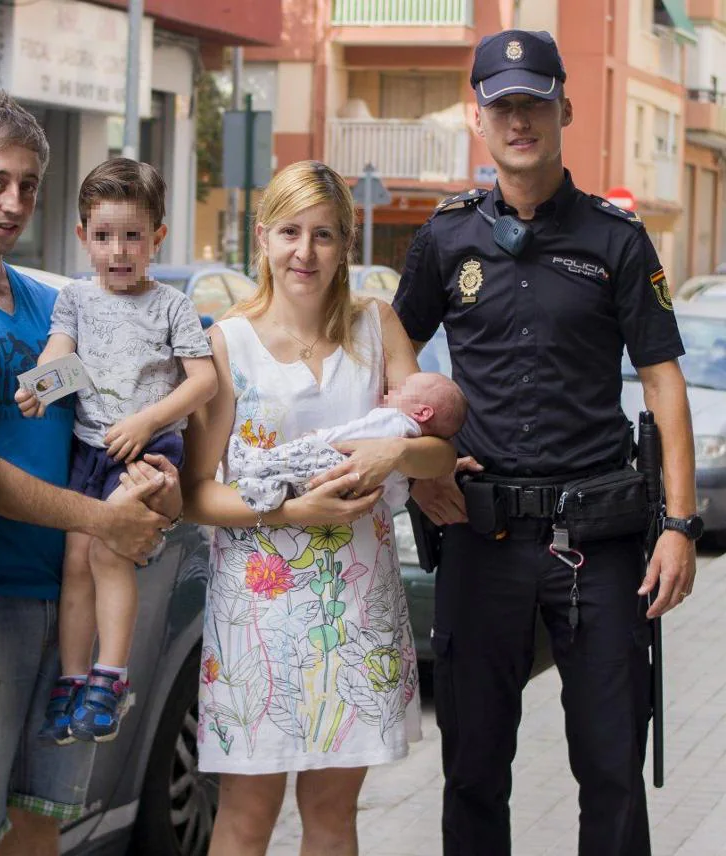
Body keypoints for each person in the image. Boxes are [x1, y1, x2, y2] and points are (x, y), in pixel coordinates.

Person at [395, 30, 698, 856]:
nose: (520, 119)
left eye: (535, 102)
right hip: (479, 537)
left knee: (610, 770)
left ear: (564, 107)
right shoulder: (446, 238)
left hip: (596, 545)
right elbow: (388, 345)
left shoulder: (617, 240)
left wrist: (679, 525)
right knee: (473, 773)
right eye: (503, 105)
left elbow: (665, 381)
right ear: (477, 116)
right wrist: (415, 466)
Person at [0, 95, 176, 855]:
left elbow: (113, 417)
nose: (14, 202)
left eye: (28, 185)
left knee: (40, 825)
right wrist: (98, 519)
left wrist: (153, 478)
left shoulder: (56, 304)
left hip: (75, 603)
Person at [182, 160, 457, 856]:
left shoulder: (376, 326)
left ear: (347, 241)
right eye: (291, 232)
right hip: (258, 617)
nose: (306, 253)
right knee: (246, 815)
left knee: (334, 813)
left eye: (325, 235)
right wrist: (287, 514)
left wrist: (394, 455)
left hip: (354, 608)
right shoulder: (227, 343)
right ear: (263, 236)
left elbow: (439, 455)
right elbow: (195, 494)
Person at [15, 157, 217, 744]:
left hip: (148, 450)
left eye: (132, 235)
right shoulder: (76, 298)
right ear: (83, 238)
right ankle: (73, 679)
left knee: (109, 555)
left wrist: (148, 419)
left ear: (157, 236)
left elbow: (201, 380)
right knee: (76, 561)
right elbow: (61, 357)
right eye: (103, 236)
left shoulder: (171, 305)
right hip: (89, 449)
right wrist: (39, 386)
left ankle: (112, 676)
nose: (119, 250)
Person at [229, 371, 467, 514]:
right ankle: (267, 491)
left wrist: (322, 437)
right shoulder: (411, 454)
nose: (390, 393)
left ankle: (253, 462)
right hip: (344, 491)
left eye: (400, 390)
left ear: (422, 412)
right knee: (295, 482)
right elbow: (397, 496)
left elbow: (356, 431)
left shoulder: (395, 422)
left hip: (332, 459)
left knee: (297, 455)